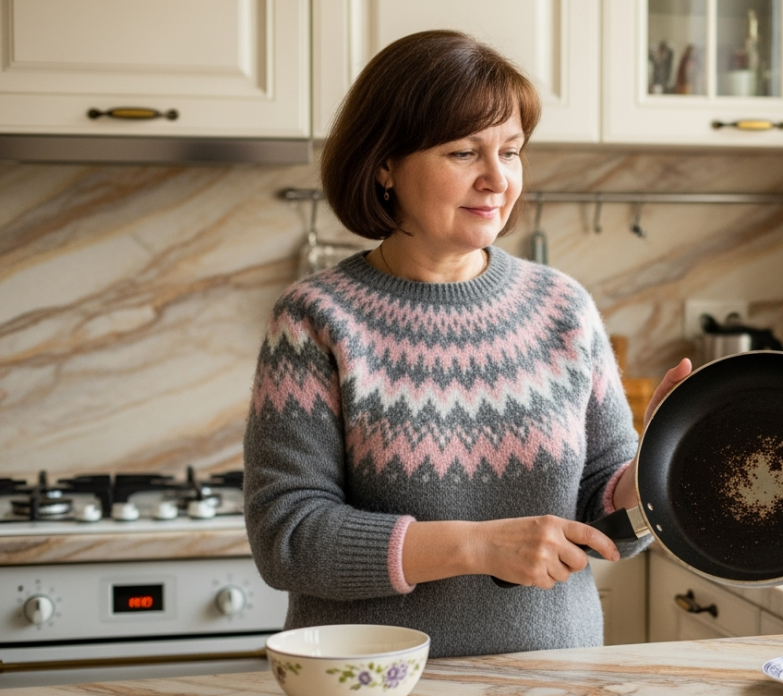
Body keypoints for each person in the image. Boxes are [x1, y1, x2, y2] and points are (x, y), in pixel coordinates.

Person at [242, 30, 690, 658]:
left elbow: (609, 521)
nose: (496, 180)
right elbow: (287, 536)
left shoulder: (564, 308)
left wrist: (658, 469)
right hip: (386, 679)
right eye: (462, 153)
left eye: (511, 152)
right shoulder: (315, 320)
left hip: (551, 673)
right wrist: (479, 546)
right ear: (384, 165)